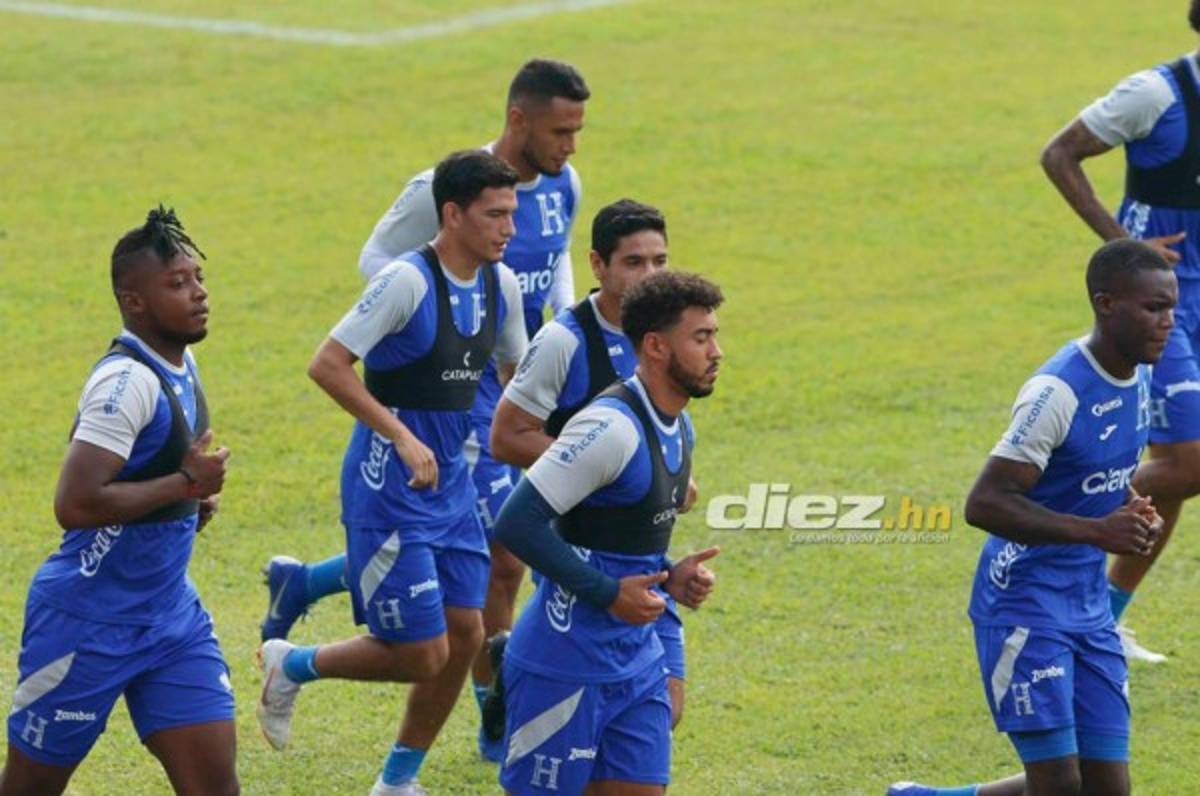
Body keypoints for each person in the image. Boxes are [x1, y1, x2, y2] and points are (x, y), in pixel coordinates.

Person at [260, 58, 588, 761]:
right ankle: (484, 711)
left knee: (489, 569)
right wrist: (434, 318)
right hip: (436, 398)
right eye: (560, 131)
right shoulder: (431, 209)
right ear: (519, 119)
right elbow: (373, 266)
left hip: (492, 391)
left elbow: (551, 268)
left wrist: (556, 350)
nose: (570, 147)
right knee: (468, 583)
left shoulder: (552, 201)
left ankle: (317, 591)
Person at [255, 150, 528, 796]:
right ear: (453, 214)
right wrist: (399, 433)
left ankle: (396, 783)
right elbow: (327, 364)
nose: (508, 229)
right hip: (388, 489)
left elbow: (516, 382)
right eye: (495, 215)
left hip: (452, 491)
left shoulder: (502, 286)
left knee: (466, 636)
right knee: (422, 651)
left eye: (512, 214)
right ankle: (291, 664)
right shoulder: (407, 282)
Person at [889, 239, 1176, 796]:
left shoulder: (1139, 375)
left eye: (1171, 307)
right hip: (1024, 604)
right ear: (1106, 303)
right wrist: (1099, 532)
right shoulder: (1057, 391)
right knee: (1059, 786)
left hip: (1088, 605)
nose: (1168, 322)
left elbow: (1101, 480)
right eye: (1153, 309)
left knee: (1107, 788)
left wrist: (1131, 513)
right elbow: (987, 502)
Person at [1, 207, 236, 795]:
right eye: (177, 284)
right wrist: (185, 486)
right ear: (134, 302)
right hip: (86, 624)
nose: (198, 293)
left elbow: (152, 476)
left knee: (216, 788)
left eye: (198, 277)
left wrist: (185, 507)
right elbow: (76, 503)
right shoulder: (125, 383)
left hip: (169, 619)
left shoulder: (181, 362)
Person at [493, 270, 722, 795]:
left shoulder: (678, 424)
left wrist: (670, 578)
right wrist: (606, 594)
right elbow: (516, 521)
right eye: (702, 338)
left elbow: (620, 539)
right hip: (563, 661)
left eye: (714, 336)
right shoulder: (608, 429)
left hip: (635, 659)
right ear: (657, 347)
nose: (717, 352)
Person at [481, 200, 693, 747]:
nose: (651, 275)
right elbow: (505, 437)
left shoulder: (666, 337)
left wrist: (661, 476)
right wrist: (605, 470)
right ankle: (520, 674)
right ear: (598, 265)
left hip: (636, 542)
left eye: (660, 260)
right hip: (573, 531)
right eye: (634, 263)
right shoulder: (564, 341)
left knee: (663, 712)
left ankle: (516, 666)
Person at [1038, 2, 1200, 662]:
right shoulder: (1156, 93)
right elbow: (1061, 153)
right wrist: (1124, 243)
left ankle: (1101, 617)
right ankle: (1053, 506)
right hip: (1161, 306)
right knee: (1187, 463)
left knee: (1181, 469)